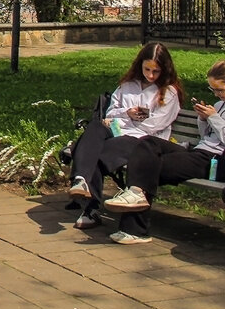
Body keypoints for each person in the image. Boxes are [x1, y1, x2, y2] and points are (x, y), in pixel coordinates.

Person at [103, 60, 225, 244]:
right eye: (212, 89)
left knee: (146, 166)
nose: (216, 94)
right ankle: (135, 196)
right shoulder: (221, 104)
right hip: (198, 151)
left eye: (219, 90)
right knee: (148, 143)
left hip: (214, 161)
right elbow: (207, 136)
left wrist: (214, 118)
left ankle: (134, 229)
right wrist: (204, 119)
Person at [66, 42, 183, 229]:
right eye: (147, 69)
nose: (151, 75)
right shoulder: (127, 85)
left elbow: (154, 125)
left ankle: (91, 208)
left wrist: (122, 121)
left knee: (93, 152)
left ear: (165, 70)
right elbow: (111, 112)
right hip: (118, 131)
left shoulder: (169, 92)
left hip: (142, 141)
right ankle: (81, 181)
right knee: (96, 127)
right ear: (140, 65)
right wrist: (126, 114)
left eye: (156, 71)